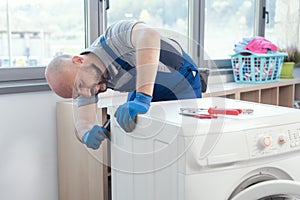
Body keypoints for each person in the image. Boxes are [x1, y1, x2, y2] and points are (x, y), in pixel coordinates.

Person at [45, 20, 202, 150]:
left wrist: (143, 97)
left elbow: (149, 35)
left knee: (184, 143)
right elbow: (82, 123)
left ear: (79, 61)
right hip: (144, 89)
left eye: (80, 85)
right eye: (78, 94)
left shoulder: (114, 37)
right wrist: (86, 133)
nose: (86, 94)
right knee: (140, 142)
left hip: (182, 81)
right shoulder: (88, 83)